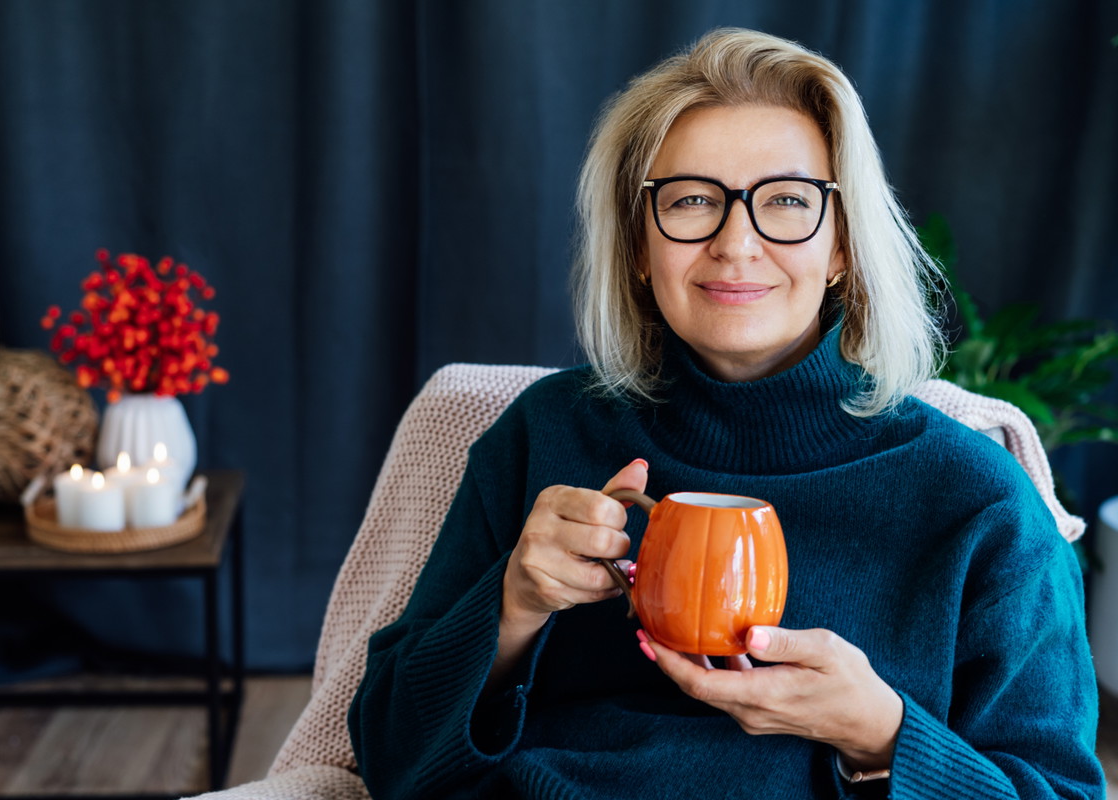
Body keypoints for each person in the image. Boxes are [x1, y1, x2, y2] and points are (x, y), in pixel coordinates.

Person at [349, 28, 1105, 799]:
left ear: (842, 244)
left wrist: (879, 732)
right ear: (641, 247)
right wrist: (512, 604)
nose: (736, 243)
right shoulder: (544, 436)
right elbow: (389, 758)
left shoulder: (978, 502)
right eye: (691, 201)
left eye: (785, 201)